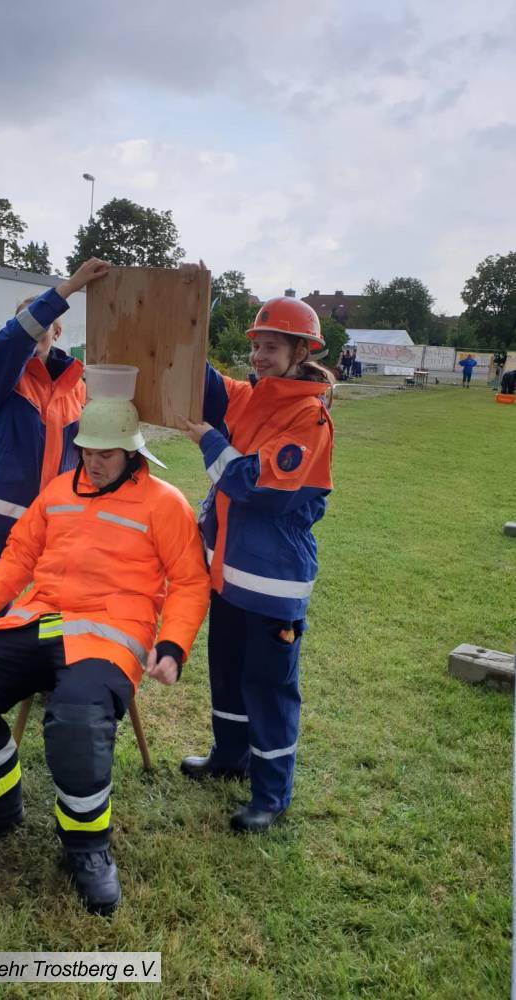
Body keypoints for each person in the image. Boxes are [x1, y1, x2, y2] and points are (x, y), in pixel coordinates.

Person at [0, 397, 210, 916]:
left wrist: (172, 645)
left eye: (106, 454)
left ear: (132, 453)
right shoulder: (57, 490)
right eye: (86, 452)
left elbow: (190, 581)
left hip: (111, 633)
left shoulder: (165, 504)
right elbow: (20, 552)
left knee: (76, 717)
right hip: (39, 619)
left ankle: (86, 846)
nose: (93, 463)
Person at [179, 293, 335, 834]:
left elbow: (258, 487)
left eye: (272, 347)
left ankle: (271, 794)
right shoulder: (250, 397)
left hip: (273, 582)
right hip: (228, 573)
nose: (259, 356)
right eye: (257, 346)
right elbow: (202, 382)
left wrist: (210, 441)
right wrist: (185, 319)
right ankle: (230, 757)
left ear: (300, 351)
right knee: (226, 672)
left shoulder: (309, 416)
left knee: (268, 688)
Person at [0, 258, 110, 592]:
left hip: (57, 511)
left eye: (45, 322)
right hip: (4, 513)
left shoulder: (77, 387)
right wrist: (70, 287)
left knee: (53, 595)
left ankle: (39, 632)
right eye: (26, 321)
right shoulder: (1, 372)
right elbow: (14, 338)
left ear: (57, 332)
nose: (35, 328)